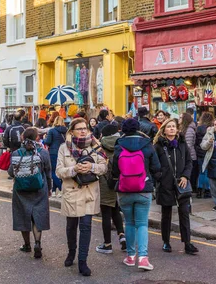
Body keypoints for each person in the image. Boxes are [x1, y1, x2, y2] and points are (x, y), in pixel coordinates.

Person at [56, 118, 108, 276]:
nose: (83, 131)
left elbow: (104, 167)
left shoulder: (96, 146)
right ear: (71, 131)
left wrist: (91, 166)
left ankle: (83, 261)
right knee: (71, 227)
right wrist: (74, 169)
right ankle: (71, 253)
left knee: (86, 227)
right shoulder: (64, 148)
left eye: (85, 128)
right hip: (72, 192)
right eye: (79, 129)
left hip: (89, 192)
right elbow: (59, 171)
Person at [113, 118, 161, 271]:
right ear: (138, 128)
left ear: (123, 129)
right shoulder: (147, 144)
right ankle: (143, 259)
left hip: (124, 190)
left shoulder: (119, 145)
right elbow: (156, 167)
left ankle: (130, 256)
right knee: (142, 224)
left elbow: (114, 171)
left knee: (129, 223)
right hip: (143, 188)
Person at [153, 119, 198, 255]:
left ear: (177, 129)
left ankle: (187, 243)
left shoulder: (182, 144)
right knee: (166, 214)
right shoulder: (158, 146)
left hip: (181, 184)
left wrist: (185, 176)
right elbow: (153, 165)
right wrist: (160, 177)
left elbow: (189, 162)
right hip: (165, 184)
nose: (172, 129)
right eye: (169, 127)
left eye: (174, 126)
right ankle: (166, 241)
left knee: (184, 213)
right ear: (164, 130)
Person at [8, 128, 52, 259]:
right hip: (40, 188)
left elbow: (11, 172)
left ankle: (27, 245)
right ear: (37, 138)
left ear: (23, 138)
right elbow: (48, 172)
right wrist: (49, 188)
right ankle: (37, 243)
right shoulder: (42, 152)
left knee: (23, 215)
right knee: (37, 216)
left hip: (20, 190)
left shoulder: (16, 153)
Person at [96, 124, 126, 254]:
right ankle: (122, 237)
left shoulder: (100, 148)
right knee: (115, 210)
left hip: (104, 183)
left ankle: (107, 244)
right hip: (119, 182)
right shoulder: (122, 145)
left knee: (106, 214)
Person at [43, 116, 67, 197]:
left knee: (53, 172)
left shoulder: (52, 131)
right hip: (63, 152)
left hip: (53, 152)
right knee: (60, 171)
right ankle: (54, 191)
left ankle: (61, 188)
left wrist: (44, 139)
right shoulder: (66, 131)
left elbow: (48, 142)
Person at [195, 112, 213, 199]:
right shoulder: (210, 129)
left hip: (199, 152)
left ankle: (199, 190)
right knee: (207, 172)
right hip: (207, 152)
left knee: (201, 172)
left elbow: (196, 142)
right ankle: (207, 191)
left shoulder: (198, 128)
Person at [180, 113, 198, 202]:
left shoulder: (189, 130)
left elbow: (189, 145)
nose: (179, 119)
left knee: (188, 175)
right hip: (186, 155)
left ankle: (188, 194)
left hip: (190, 156)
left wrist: (183, 155)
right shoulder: (183, 129)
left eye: (180, 118)